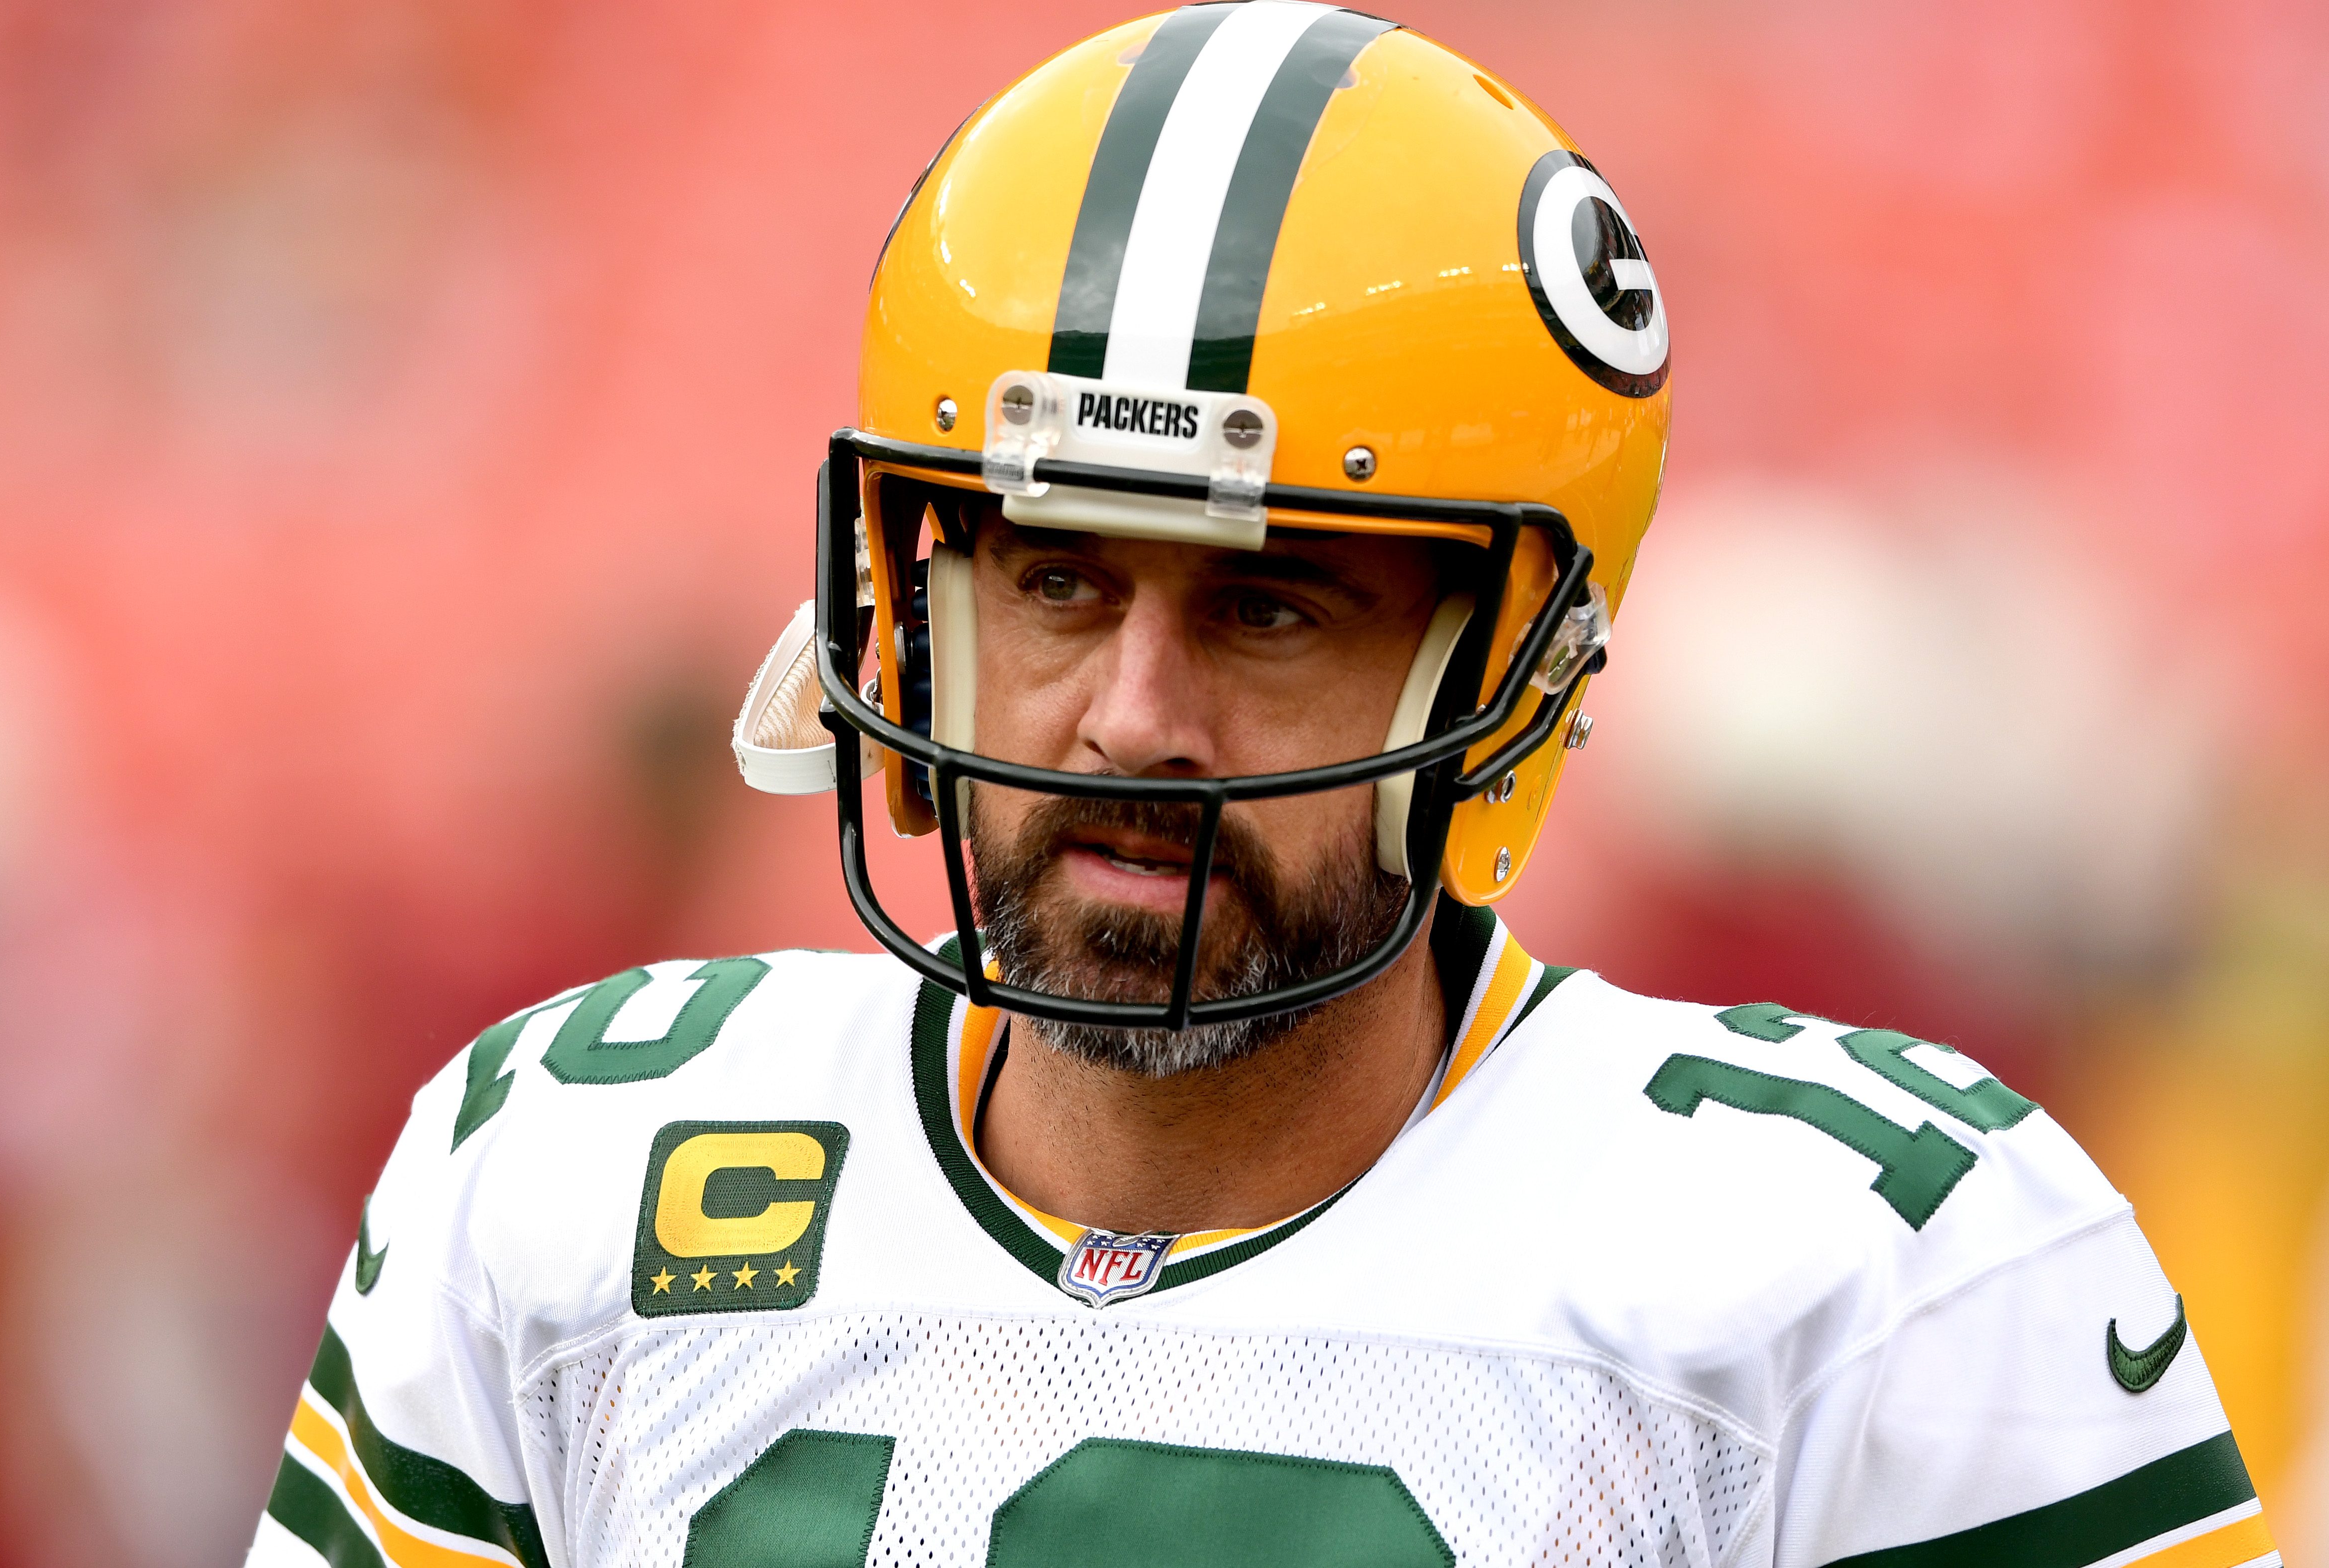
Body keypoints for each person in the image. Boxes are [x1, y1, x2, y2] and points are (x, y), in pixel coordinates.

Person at [246, 7, 2272, 1565]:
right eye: (1056, 579)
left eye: (1274, 607)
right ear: (911, 596)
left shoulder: (1872, 1271)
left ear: (1508, 676)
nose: (1133, 715)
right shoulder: (563, 1171)